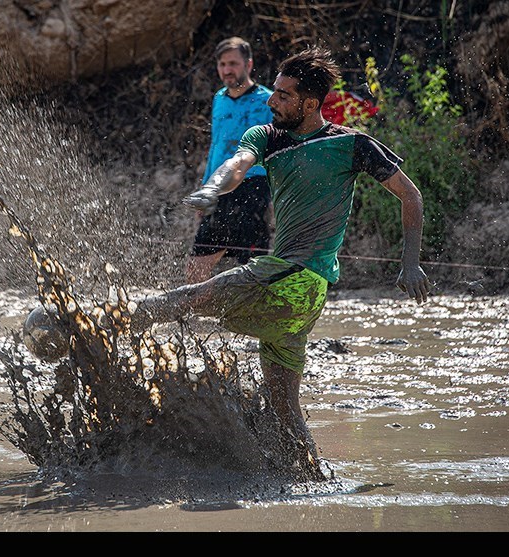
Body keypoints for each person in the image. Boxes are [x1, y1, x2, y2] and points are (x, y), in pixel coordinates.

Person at [130, 47, 432, 478]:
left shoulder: (352, 144)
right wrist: (213, 188)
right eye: (274, 92)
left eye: (284, 96)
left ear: (311, 104)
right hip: (299, 295)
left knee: (193, 295)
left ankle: (99, 326)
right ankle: (315, 482)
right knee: (284, 407)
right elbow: (237, 165)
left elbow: (410, 194)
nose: (272, 101)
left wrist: (410, 263)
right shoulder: (268, 136)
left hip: (298, 278)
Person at [186, 37, 275, 283]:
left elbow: (279, 149)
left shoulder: (268, 100)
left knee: (252, 267)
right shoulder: (219, 99)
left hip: (253, 187)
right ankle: (196, 318)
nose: (227, 70)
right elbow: (215, 146)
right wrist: (206, 188)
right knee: (196, 266)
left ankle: (253, 317)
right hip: (219, 188)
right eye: (223, 64)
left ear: (248, 64)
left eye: (233, 63)